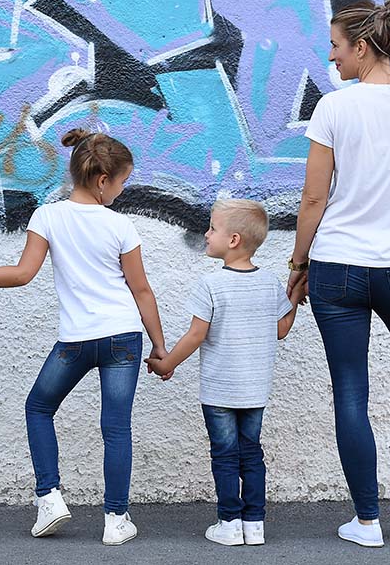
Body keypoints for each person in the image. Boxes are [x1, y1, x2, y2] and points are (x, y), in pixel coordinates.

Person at [286, 0, 390, 548]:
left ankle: (366, 522)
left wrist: (299, 263)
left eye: (336, 46)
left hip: (337, 267)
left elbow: (313, 199)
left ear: (361, 47)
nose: (331, 56)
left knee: (350, 391)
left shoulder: (334, 108)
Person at [0, 129, 168, 546]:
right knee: (116, 428)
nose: (122, 190)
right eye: (122, 182)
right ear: (103, 180)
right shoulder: (121, 225)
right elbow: (141, 290)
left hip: (76, 340)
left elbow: (22, 274)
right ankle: (116, 520)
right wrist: (159, 347)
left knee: (38, 408)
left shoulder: (47, 217)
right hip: (123, 337)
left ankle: (49, 498)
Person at [145, 199, 303, 547]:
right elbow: (281, 329)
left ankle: (229, 522)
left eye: (212, 228)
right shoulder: (269, 283)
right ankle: (255, 523)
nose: (206, 233)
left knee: (225, 455)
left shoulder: (211, 284)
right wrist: (294, 296)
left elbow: (196, 335)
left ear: (233, 240)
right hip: (255, 391)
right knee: (252, 453)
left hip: (219, 391)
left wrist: (167, 363)